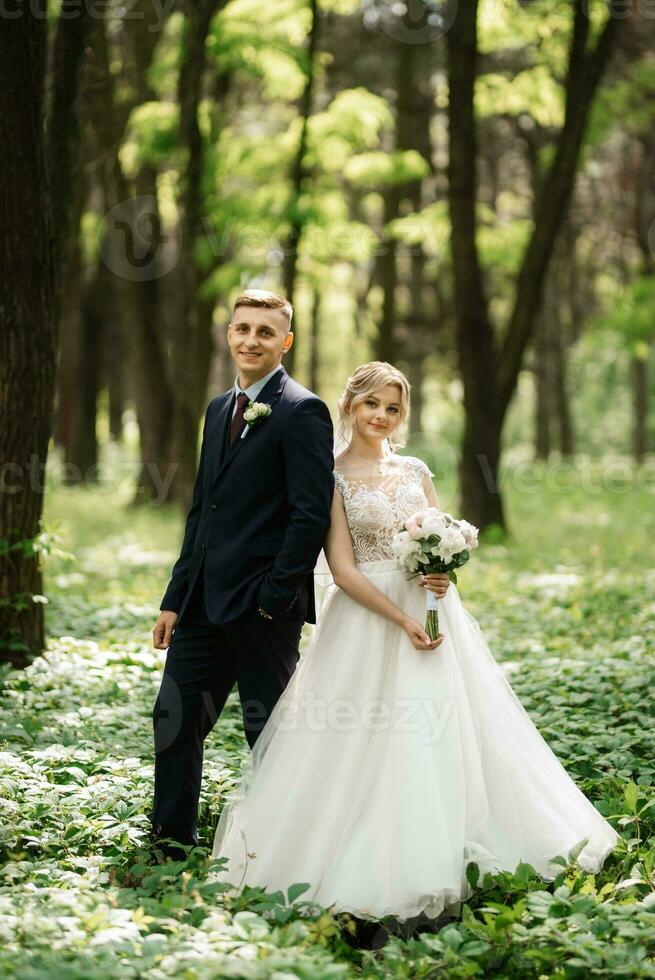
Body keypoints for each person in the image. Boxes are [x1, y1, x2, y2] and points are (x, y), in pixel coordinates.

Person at [210, 360, 619, 926]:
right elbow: (343, 569)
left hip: (431, 611)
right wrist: (398, 620)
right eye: (371, 404)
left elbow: (436, 540)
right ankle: (359, 854)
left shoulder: (415, 469)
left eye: (393, 408)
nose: (381, 416)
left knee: (440, 731)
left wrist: (443, 576)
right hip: (365, 617)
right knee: (360, 737)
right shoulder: (329, 475)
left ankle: (455, 843)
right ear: (350, 405)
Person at [150, 289, 334, 860]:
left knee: (271, 737)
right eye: (242, 329)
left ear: (286, 341)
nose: (251, 340)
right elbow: (202, 508)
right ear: (229, 334)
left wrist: (273, 597)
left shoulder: (303, 410)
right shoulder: (216, 408)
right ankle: (169, 848)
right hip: (203, 605)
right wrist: (175, 597)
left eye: (264, 331)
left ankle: (291, 853)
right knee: (173, 723)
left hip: (262, 610)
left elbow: (310, 515)